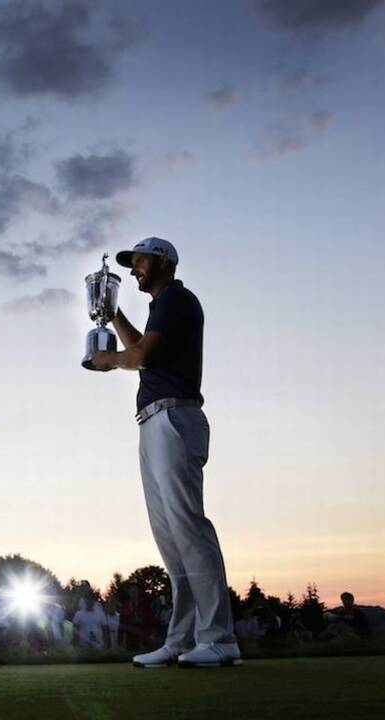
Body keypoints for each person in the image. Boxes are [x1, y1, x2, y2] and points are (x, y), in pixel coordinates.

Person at [90, 237, 241, 669]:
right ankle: (181, 641)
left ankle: (220, 638)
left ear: (162, 261)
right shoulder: (163, 306)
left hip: (175, 418)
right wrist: (112, 313)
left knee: (189, 529)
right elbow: (142, 347)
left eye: (138, 260)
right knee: (171, 539)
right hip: (153, 423)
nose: (134, 268)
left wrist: (107, 359)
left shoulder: (177, 298)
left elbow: (140, 355)